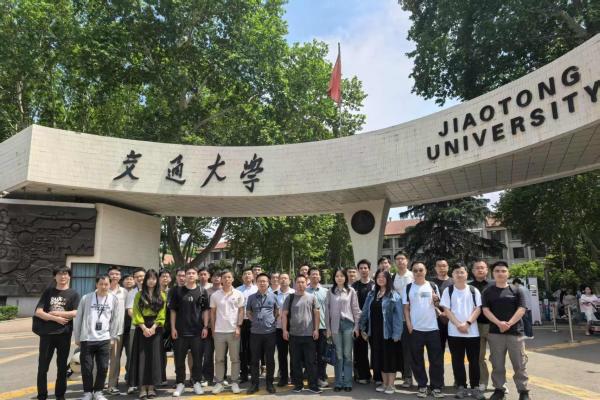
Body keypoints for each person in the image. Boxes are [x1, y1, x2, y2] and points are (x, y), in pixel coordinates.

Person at [482, 261, 530, 400]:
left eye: (503, 271)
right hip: (495, 333)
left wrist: (508, 323)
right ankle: (499, 390)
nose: (500, 273)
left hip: (515, 333)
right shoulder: (488, 291)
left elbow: (521, 309)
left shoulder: (517, 290)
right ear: (493, 273)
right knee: (497, 364)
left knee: (519, 364)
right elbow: (485, 310)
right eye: (497, 271)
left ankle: (523, 391)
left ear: (508, 273)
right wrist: (499, 323)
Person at [34, 266, 80, 400]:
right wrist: (56, 318)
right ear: (55, 277)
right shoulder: (48, 292)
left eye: (65, 274)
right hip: (47, 335)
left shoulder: (74, 294)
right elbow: (38, 312)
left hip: (64, 335)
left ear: (69, 276)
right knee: (43, 367)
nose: (62, 276)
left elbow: (76, 312)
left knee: (61, 367)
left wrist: (57, 313)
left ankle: (60, 395)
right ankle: (42, 395)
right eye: (59, 274)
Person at [73, 275, 121, 400]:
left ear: (109, 284)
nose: (104, 287)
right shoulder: (86, 298)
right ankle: (88, 392)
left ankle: (98, 392)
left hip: (104, 339)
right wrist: (77, 336)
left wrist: (112, 337)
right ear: (96, 284)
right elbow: (78, 318)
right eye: (101, 284)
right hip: (87, 338)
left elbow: (115, 319)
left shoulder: (113, 299)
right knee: (87, 368)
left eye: (106, 284)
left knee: (103, 367)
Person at [440, 264, 484, 400]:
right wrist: (458, 324)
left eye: (462, 272)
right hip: (454, 333)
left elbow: (478, 309)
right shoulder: (448, 290)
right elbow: (446, 310)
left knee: (474, 361)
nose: (459, 275)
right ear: (452, 275)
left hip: (472, 332)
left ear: (466, 274)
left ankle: (475, 387)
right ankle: (461, 386)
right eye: (456, 272)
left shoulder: (473, 290)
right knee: (457, 361)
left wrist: (468, 323)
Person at [403, 261, 444, 398]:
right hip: (416, 329)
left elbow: (438, 305)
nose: (418, 272)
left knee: (436, 360)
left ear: (425, 271)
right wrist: (409, 324)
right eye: (415, 270)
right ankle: (422, 385)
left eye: (421, 270)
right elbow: (406, 308)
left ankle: (436, 387)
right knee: (417, 360)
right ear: (412, 273)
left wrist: (436, 299)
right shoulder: (408, 288)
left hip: (432, 329)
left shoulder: (432, 285)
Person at [359, 270, 403, 395]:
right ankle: (384, 383)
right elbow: (365, 312)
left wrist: (397, 333)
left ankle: (391, 384)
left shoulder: (394, 295)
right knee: (380, 358)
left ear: (388, 279)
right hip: (375, 333)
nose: (381, 279)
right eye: (378, 277)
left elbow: (398, 316)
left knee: (390, 359)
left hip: (389, 333)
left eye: (384, 277)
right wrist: (362, 327)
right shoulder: (372, 294)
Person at [170, 266, 209, 397]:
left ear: (197, 276)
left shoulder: (202, 291)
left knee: (197, 359)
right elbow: (173, 311)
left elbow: (205, 310)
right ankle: (180, 383)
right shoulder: (177, 291)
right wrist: (173, 328)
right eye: (188, 273)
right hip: (180, 332)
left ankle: (196, 382)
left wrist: (205, 327)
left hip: (197, 331)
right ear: (185, 276)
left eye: (193, 273)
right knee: (179, 360)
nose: (191, 275)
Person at [128, 269, 168, 399]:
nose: (151, 281)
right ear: (145, 280)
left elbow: (162, 313)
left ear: (157, 280)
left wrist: (154, 327)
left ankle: (151, 387)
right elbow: (136, 312)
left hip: (156, 328)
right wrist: (144, 327)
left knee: (154, 357)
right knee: (142, 357)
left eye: (154, 278)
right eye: (149, 278)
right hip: (142, 328)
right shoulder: (139, 295)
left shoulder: (162, 295)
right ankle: (142, 387)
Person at [282, 275, 322, 394]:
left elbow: (317, 314)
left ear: (306, 283)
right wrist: (284, 330)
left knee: (311, 362)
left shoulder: (312, 297)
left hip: (309, 335)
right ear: (295, 284)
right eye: (298, 282)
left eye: (303, 282)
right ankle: (298, 385)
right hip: (294, 335)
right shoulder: (290, 298)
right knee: (296, 361)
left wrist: (316, 329)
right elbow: (284, 315)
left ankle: (313, 385)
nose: (300, 284)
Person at [326, 269, 361, 392]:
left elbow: (356, 309)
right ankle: (338, 382)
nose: (339, 278)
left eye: (342, 276)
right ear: (334, 278)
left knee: (347, 355)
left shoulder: (351, 291)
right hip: (335, 326)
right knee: (338, 355)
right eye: (337, 276)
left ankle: (347, 382)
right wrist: (328, 328)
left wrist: (356, 327)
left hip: (348, 325)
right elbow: (327, 311)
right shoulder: (330, 292)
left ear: (345, 277)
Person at [211, 269, 245, 394]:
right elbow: (212, 313)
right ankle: (219, 382)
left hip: (233, 331)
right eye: (224, 277)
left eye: (229, 277)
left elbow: (241, 311)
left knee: (235, 358)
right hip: (219, 331)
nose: (227, 279)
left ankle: (235, 382)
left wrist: (238, 327)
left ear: (232, 279)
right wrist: (213, 330)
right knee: (219, 359)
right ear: (221, 279)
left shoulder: (238, 294)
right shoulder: (215, 295)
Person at [246, 273, 279, 394]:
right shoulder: (251, 297)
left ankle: (269, 384)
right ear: (256, 283)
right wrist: (254, 321)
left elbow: (277, 311)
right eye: (260, 281)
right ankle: (254, 384)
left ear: (268, 282)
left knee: (270, 359)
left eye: (264, 281)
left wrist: (271, 322)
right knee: (254, 360)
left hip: (270, 333)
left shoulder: (273, 296)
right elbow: (248, 312)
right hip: (255, 333)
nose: (262, 283)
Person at [469, 260, 494, 392]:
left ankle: (500, 383)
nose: (480, 270)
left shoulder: (493, 285)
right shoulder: (469, 287)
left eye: (482, 268)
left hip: (493, 325)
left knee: (496, 356)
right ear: (473, 271)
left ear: (487, 270)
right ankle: (483, 382)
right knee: (479, 356)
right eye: (477, 268)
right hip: (476, 325)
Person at [392, 250, 414, 388]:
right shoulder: (392, 277)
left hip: (410, 318)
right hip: (395, 317)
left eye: (402, 258)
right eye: (398, 259)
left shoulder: (413, 275)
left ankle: (408, 377)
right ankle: (397, 373)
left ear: (407, 261)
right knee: (396, 348)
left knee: (408, 349)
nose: (400, 261)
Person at [352, 259, 375, 385]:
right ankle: (363, 374)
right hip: (358, 322)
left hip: (373, 322)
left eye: (365, 268)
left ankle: (378, 376)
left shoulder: (375, 285)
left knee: (376, 349)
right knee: (360, 349)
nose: (363, 270)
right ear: (358, 270)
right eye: (361, 268)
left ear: (369, 270)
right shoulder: (354, 286)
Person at [431, 259, 453, 386]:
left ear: (448, 267)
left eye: (444, 266)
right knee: (437, 353)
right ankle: (439, 381)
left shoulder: (453, 282)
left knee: (456, 353)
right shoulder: (430, 283)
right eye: (439, 266)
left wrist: (448, 314)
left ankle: (459, 381)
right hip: (436, 322)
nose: (442, 268)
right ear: (435, 268)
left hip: (453, 321)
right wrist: (439, 312)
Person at [306, 267, 329, 388]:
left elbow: (329, 309)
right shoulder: (304, 291)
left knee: (322, 354)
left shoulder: (326, 291)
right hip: (308, 328)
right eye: (312, 274)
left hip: (322, 326)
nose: (315, 276)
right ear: (308, 276)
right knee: (310, 355)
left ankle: (321, 376)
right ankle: (312, 377)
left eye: (317, 274)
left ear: (320, 277)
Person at [106, 267, 127, 395]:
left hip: (118, 331)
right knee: (100, 359)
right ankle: (97, 385)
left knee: (115, 359)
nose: (114, 276)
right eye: (112, 274)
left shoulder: (124, 292)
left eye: (117, 274)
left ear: (120, 276)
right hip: (102, 332)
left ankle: (112, 384)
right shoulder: (102, 289)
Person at [126, 268, 146, 394]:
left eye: (142, 276)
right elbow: (130, 311)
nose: (140, 278)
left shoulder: (152, 291)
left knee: (146, 356)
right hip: (136, 328)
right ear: (134, 279)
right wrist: (142, 323)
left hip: (150, 329)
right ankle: (132, 383)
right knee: (133, 355)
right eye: (137, 276)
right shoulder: (132, 293)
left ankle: (147, 382)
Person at [274, 273, 295, 387]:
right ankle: (283, 377)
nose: (283, 280)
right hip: (278, 328)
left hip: (293, 327)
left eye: (285, 278)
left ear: (289, 281)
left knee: (294, 354)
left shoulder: (294, 293)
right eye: (281, 278)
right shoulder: (274, 294)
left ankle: (294, 376)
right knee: (282, 354)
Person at [237, 267, 258, 383]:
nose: (247, 276)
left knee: (254, 348)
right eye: (245, 274)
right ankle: (243, 374)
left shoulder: (257, 289)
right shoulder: (237, 290)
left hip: (254, 322)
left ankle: (254, 373)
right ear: (242, 277)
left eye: (249, 274)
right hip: (241, 322)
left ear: (253, 276)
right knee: (242, 349)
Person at [204, 270, 223, 386]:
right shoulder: (206, 292)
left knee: (221, 355)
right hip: (210, 327)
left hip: (222, 327)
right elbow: (204, 310)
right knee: (208, 354)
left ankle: (222, 377)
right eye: (215, 276)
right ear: (211, 279)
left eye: (219, 277)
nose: (217, 278)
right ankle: (208, 378)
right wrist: (205, 325)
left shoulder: (226, 291)